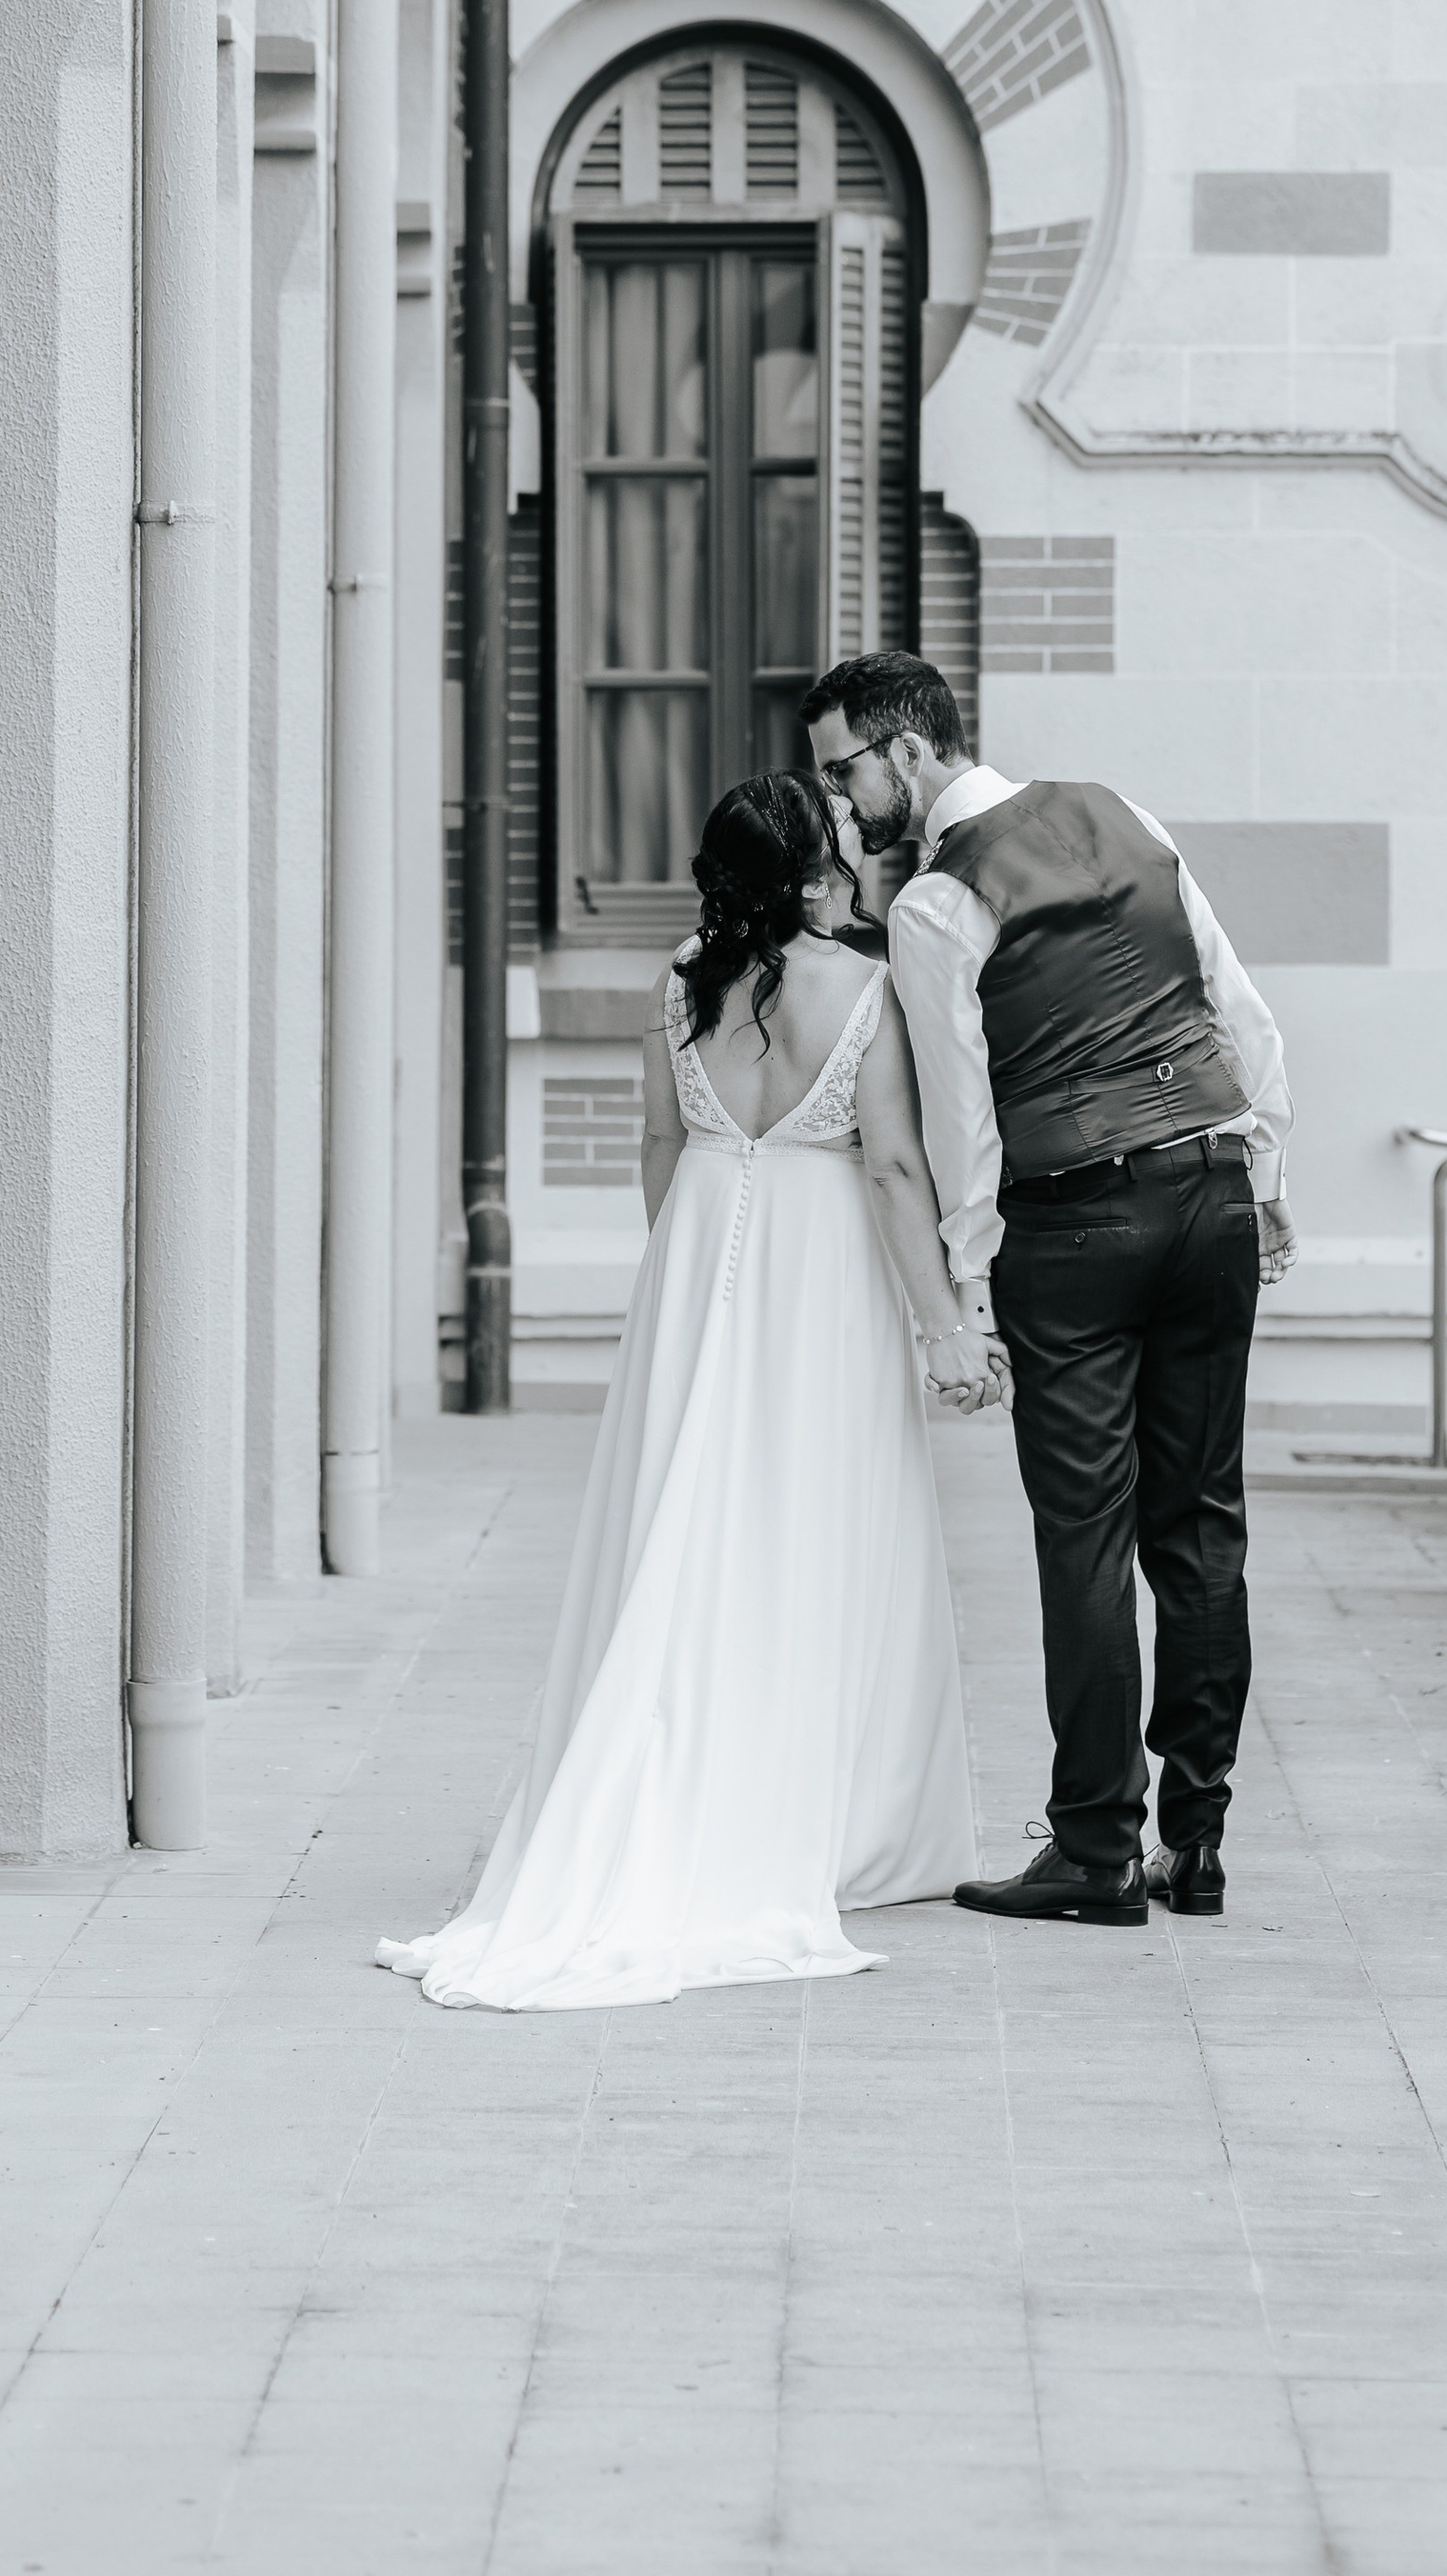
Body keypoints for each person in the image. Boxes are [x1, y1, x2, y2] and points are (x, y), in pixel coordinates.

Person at [376, 771, 978, 2009]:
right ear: (811, 871)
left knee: (682, 1518)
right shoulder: (863, 988)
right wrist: (946, 1327)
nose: (852, 867)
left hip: (698, 1248)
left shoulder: (678, 981)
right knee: (813, 1524)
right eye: (838, 852)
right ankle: (829, 1815)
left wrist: (689, 1280)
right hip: (821, 1271)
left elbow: (660, 1143)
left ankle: (681, 1776)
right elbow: (892, 1168)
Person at [803, 651, 1296, 1931]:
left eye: (845, 771)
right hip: (1211, 1186)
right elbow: (1232, 1002)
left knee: (1085, 1536)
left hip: (1074, 1224)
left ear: (909, 750)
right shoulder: (1125, 814)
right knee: (1203, 1524)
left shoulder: (935, 903)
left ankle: (1094, 1849)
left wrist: (968, 1287)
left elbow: (963, 1119)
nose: (842, 802)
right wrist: (1264, 1166)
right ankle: (1197, 1841)